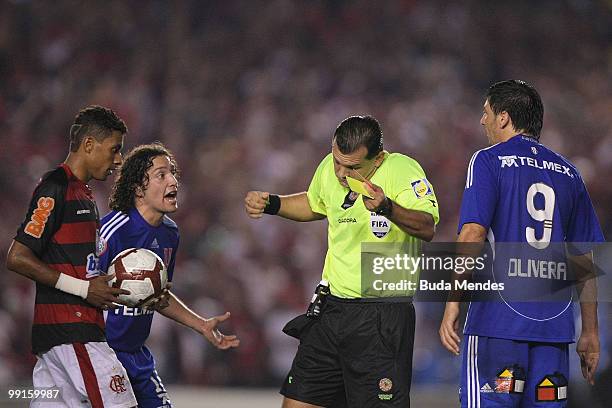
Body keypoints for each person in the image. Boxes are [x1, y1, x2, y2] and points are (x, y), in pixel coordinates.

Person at [245, 115, 439, 408]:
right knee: (297, 404)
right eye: (337, 160)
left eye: (351, 167)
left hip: (381, 317)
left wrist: (388, 207)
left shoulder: (402, 170)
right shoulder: (331, 166)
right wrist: (273, 203)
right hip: (331, 310)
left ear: (378, 159)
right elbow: (314, 203)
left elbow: (426, 227)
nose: (340, 172)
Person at [439, 80, 604, 407]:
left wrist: (453, 302)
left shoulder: (487, 161)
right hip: (554, 333)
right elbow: (584, 257)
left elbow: (472, 233)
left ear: (503, 118)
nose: (482, 121)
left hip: (497, 325)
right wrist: (590, 331)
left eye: (485, 113)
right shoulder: (570, 173)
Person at [6, 106, 138, 407]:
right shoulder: (56, 187)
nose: (118, 160)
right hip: (73, 332)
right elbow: (18, 256)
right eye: (114, 150)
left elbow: (73, 263)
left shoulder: (85, 194)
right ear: (89, 145)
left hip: (60, 337)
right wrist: (84, 289)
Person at [99, 143, 240, 407]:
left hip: (137, 355)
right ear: (138, 188)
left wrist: (201, 324)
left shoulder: (169, 233)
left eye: (173, 173)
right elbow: (82, 289)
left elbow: (157, 295)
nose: (174, 180)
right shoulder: (112, 231)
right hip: (101, 354)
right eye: (161, 175)